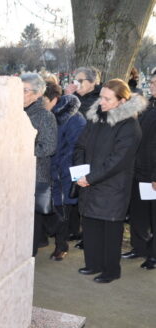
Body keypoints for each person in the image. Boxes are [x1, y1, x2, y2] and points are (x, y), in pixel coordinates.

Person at [74, 79, 144, 283]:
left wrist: (90, 178)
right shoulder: (96, 117)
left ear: (122, 101)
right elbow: (80, 145)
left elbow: (118, 161)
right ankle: (93, 264)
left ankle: (111, 270)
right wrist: (80, 173)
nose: (101, 102)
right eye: (100, 97)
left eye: (107, 98)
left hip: (113, 186)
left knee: (110, 230)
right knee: (90, 225)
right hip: (89, 182)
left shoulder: (129, 125)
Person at [46, 81, 86, 261]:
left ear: (54, 99)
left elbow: (77, 149)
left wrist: (64, 171)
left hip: (65, 172)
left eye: (43, 100)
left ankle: (61, 246)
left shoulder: (74, 119)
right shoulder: (45, 115)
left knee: (62, 210)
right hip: (48, 170)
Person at [22, 73, 58, 257]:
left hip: (35, 174)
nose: (20, 94)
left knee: (32, 218)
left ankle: (29, 255)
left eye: (25, 90)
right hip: (16, 173)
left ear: (37, 94)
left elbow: (49, 147)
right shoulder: (15, 113)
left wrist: (23, 150)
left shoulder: (45, 116)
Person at [126, 73, 156, 269]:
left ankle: (153, 255)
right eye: (152, 82)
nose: (152, 85)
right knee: (138, 214)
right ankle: (139, 247)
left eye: (155, 83)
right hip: (139, 171)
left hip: (153, 175)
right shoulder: (149, 106)